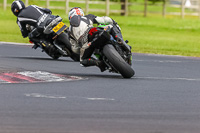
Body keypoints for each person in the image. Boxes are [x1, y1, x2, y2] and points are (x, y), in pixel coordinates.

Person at [68, 7, 128, 72]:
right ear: (82, 13)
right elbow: (104, 19)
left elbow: (75, 49)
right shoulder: (87, 17)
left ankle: (99, 63)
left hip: (87, 44)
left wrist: (81, 49)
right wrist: (113, 22)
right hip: (94, 33)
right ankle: (119, 40)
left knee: (83, 61)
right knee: (112, 25)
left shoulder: (69, 31)